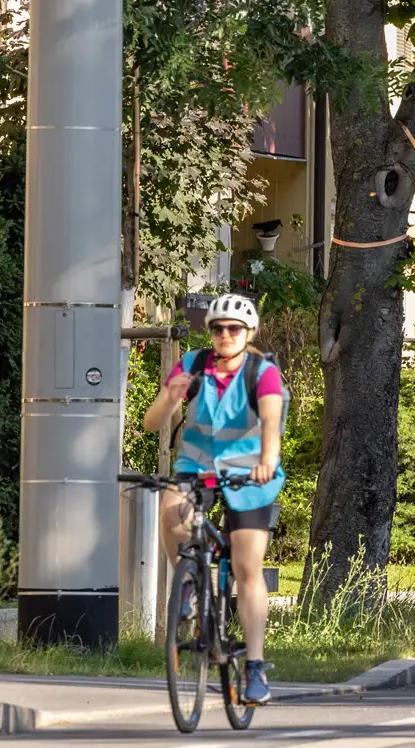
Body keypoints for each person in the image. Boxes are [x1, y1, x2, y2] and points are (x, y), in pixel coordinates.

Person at [144, 293, 285, 704]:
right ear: (210, 332)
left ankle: (255, 668)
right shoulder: (192, 364)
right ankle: (187, 583)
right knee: (171, 505)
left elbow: (272, 423)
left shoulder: (263, 372)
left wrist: (266, 460)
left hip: (250, 474)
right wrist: (170, 397)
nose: (225, 335)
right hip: (198, 466)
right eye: (218, 328)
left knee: (246, 567)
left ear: (249, 333)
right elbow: (152, 422)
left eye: (234, 329)